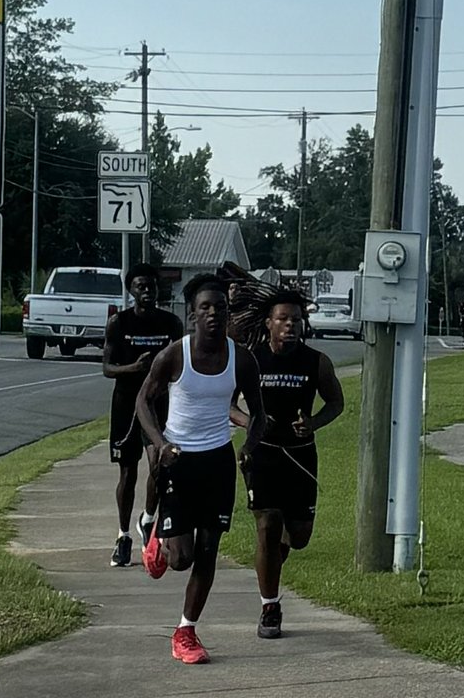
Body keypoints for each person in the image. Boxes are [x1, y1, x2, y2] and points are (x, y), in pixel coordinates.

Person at [136, 274, 266, 665]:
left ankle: (185, 631)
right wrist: (160, 445)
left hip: (218, 462)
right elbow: (143, 402)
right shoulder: (175, 356)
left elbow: (258, 413)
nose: (213, 314)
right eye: (204, 308)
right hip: (179, 460)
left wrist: (249, 447)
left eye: (219, 308)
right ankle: (156, 531)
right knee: (181, 560)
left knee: (208, 552)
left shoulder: (241, 358)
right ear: (192, 316)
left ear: (227, 315)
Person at [228, 282, 345, 638]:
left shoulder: (316, 362)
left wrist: (312, 423)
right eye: (283, 319)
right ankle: (270, 607)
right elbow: (228, 405)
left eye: (296, 319)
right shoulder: (250, 359)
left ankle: (276, 553)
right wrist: (253, 423)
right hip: (261, 454)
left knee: (298, 535)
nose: (290, 325)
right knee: (267, 523)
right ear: (268, 323)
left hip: (300, 456)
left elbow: (336, 403)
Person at [102, 263, 184, 567]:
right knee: (127, 471)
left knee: (159, 463)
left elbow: (180, 363)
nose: (147, 291)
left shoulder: (172, 323)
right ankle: (123, 536)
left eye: (151, 285)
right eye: (140, 286)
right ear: (131, 290)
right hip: (126, 404)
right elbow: (107, 368)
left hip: (158, 404)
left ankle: (148, 519)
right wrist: (133, 369)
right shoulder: (118, 323)